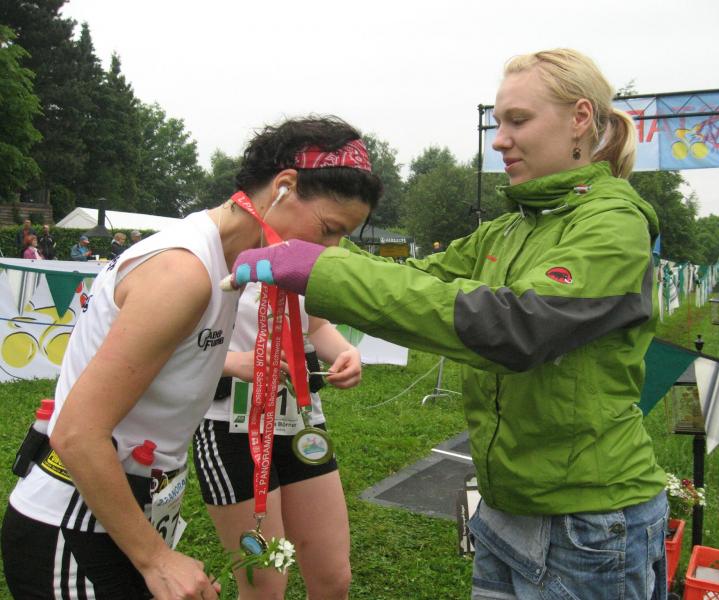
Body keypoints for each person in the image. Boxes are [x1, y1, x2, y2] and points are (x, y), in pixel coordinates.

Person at [226, 49, 668, 599]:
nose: (499, 140)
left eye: (518, 120)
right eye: (498, 123)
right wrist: (314, 243)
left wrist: (319, 268)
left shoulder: (614, 224)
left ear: (580, 118)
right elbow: (415, 279)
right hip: (505, 504)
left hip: (589, 523)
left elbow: (519, 327)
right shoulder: (508, 231)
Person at [1, 115, 382, 599]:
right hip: (74, 529)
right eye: (328, 229)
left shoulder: (225, 261)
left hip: (120, 513)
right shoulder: (184, 271)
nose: (328, 250)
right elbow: (77, 432)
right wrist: (156, 560)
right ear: (284, 186)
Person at [193, 285, 362, 600]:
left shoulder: (300, 263)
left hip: (300, 426)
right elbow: (169, 342)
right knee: (265, 586)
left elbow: (316, 326)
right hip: (231, 426)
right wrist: (231, 362)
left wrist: (345, 352)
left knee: (333, 579)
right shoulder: (213, 261)